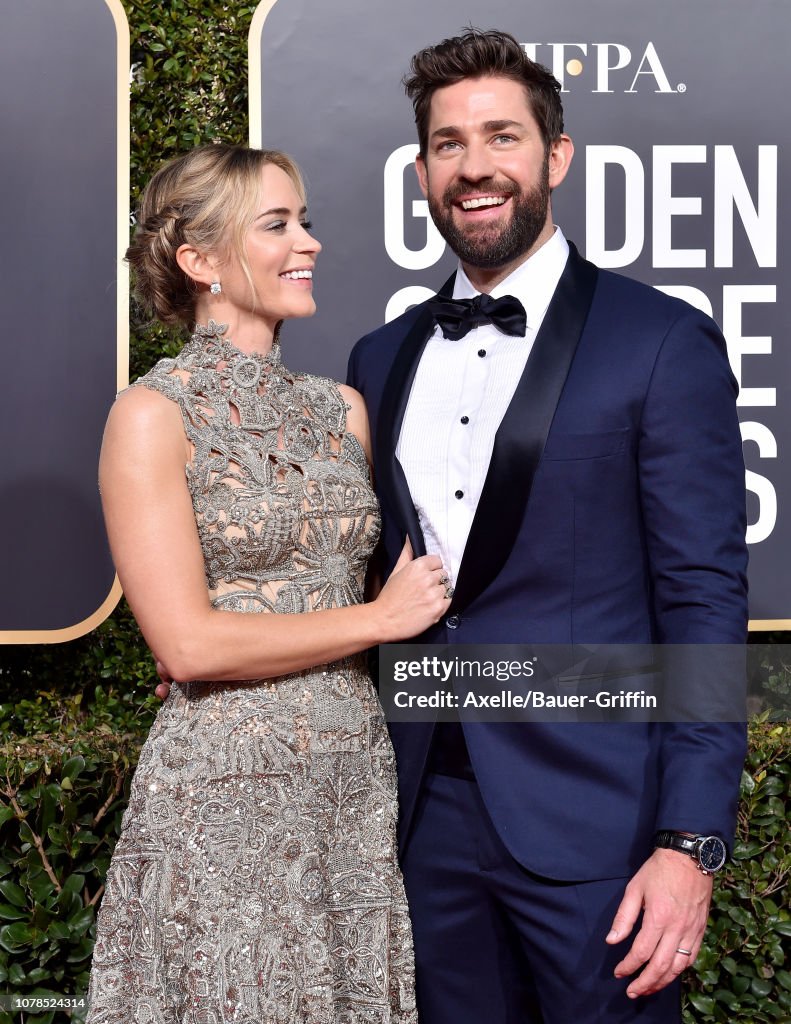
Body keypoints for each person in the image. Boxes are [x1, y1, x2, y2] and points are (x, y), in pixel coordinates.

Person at [346, 29, 748, 1024]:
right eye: (447, 144)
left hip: (598, 825)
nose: (474, 166)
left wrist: (687, 840)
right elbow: (361, 578)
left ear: (553, 157)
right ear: (422, 169)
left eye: (500, 137)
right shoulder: (378, 357)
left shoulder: (657, 342)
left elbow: (701, 598)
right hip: (418, 815)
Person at [87, 143, 451, 1023]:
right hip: (226, 798)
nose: (310, 242)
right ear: (200, 260)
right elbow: (187, 644)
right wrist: (377, 618)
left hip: (354, 787)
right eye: (277, 225)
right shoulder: (149, 415)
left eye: (306, 221)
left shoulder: (342, 409)